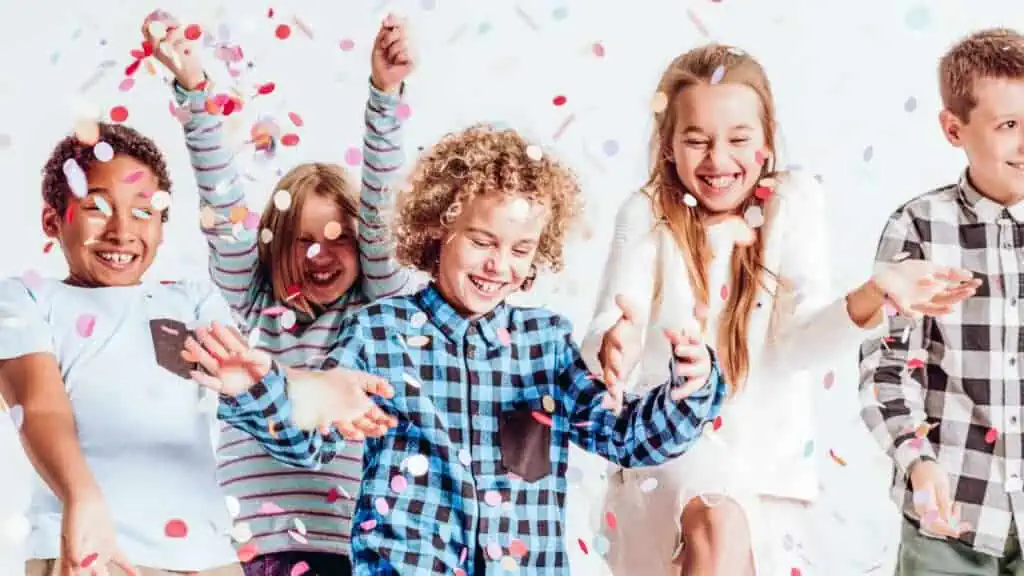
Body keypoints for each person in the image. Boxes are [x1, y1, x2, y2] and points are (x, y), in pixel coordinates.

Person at [183, 124, 729, 575]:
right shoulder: (379, 332)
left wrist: (690, 386)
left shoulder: (545, 344)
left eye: (520, 249)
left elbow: (627, 437)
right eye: (482, 242)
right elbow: (317, 440)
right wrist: (255, 389)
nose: (499, 265)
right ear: (438, 229)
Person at [581, 44, 980, 575]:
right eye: (696, 141)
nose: (718, 161)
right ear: (669, 147)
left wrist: (874, 292)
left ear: (766, 143)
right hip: (669, 463)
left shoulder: (792, 204)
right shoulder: (648, 213)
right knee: (716, 517)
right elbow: (606, 330)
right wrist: (613, 342)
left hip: (770, 477)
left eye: (738, 139)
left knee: (729, 524)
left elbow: (797, 344)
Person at [0, 120, 389, 576]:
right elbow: (40, 408)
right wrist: (80, 497)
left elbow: (242, 372)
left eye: (144, 212)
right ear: (52, 219)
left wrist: (317, 385)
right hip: (91, 543)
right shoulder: (25, 298)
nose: (122, 230)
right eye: (97, 207)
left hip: (206, 558)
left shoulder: (190, 300)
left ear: (163, 228)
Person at [145, 10, 418, 575]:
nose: (319, 255)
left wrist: (386, 95)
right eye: (302, 241)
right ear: (273, 250)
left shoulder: (375, 311)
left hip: (354, 551)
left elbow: (382, 211)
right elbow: (224, 210)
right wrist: (196, 94)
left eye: (338, 239)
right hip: (254, 553)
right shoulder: (251, 304)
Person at [860, 27, 1024, 576]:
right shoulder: (918, 228)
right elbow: (886, 368)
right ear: (953, 129)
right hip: (952, 521)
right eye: (1008, 125)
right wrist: (917, 462)